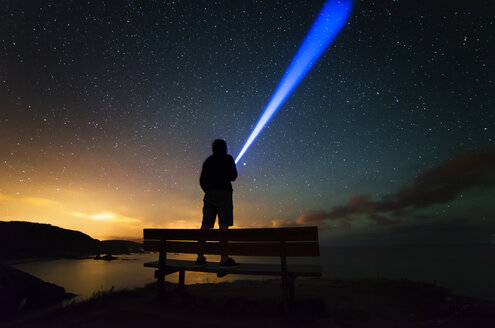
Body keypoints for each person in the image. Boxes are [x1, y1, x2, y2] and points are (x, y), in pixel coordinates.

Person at [195, 139, 238, 266]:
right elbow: (233, 176)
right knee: (224, 225)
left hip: (209, 195)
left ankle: (200, 257)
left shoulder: (208, 161)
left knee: (205, 225)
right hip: (224, 193)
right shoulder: (228, 158)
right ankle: (224, 258)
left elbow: (202, 180)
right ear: (225, 148)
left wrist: (208, 191)